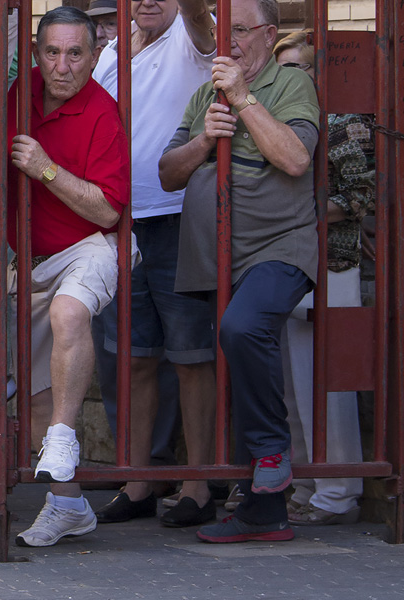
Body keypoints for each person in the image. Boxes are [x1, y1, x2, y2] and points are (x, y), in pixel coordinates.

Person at [0, 6, 131, 547]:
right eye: (52, 52)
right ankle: (69, 506)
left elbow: (108, 211)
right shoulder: (20, 90)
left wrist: (46, 169)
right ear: (35, 53)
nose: (62, 66)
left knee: (71, 313)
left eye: (75, 54)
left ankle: (64, 439)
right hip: (30, 259)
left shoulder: (103, 112)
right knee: (34, 392)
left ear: (94, 57)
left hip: (90, 246)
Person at [160, 0, 319, 544]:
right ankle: (262, 509)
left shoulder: (291, 83)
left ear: (269, 35)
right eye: (222, 29)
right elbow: (167, 173)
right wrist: (204, 140)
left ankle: (271, 457)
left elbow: (295, 159)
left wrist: (245, 99)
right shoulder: (205, 94)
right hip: (214, 259)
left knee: (243, 328)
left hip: (278, 247)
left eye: (242, 30)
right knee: (228, 371)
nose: (228, 41)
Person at [90, 0, 219, 528]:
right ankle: (139, 480)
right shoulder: (111, 51)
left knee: (192, 357)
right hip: (118, 219)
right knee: (135, 358)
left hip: (177, 217)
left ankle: (198, 485)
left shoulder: (191, 38)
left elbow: (199, 17)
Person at [274, 30, 371, 527]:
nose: (292, 76)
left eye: (301, 67)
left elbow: (360, 195)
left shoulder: (343, 123)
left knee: (329, 387)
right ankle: (308, 483)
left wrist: (295, 214)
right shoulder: (284, 118)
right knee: (294, 386)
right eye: (284, 68)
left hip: (334, 265)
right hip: (291, 262)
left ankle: (339, 493)